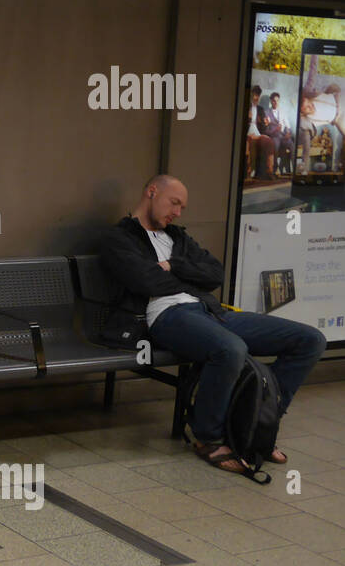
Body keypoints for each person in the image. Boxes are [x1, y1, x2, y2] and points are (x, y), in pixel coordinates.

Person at [99, 175, 326, 474]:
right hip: (168, 316)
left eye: (183, 207)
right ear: (152, 192)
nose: (178, 213)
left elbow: (215, 274)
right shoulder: (120, 238)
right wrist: (188, 276)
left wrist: (175, 265)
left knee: (310, 340)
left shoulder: (177, 237)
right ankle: (208, 437)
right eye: (174, 203)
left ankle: (261, 421)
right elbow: (145, 281)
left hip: (211, 311)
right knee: (231, 349)